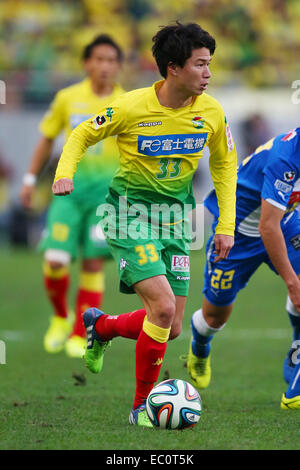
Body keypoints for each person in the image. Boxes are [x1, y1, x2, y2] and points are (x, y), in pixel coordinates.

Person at [52, 22, 238, 426]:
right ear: (173, 68)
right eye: (200, 65)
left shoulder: (212, 112)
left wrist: (225, 224)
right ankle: (141, 408)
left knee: (170, 327)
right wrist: (64, 171)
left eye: (210, 64)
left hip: (178, 221)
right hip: (127, 214)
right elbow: (83, 133)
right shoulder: (131, 106)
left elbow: (225, 166)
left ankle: (100, 326)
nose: (208, 73)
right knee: (164, 307)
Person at [20, 35, 124, 358]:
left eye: (111, 60)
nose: (105, 66)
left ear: (118, 66)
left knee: (93, 263)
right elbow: (47, 139)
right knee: (56, 259)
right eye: (99, 59)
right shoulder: (68, 98)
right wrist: (29, 179)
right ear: (86, 63)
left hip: (106, 198)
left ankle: (82, 332)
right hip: (67, 192)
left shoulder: (127, 103)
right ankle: (60, 317)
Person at [186, 128, 300, 410]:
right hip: (238, 234)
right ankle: (200, 344)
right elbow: (266, 226)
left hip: (285, 224)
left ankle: (296, 373)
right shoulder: (285, 159)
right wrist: (292, 283)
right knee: (215, 317)